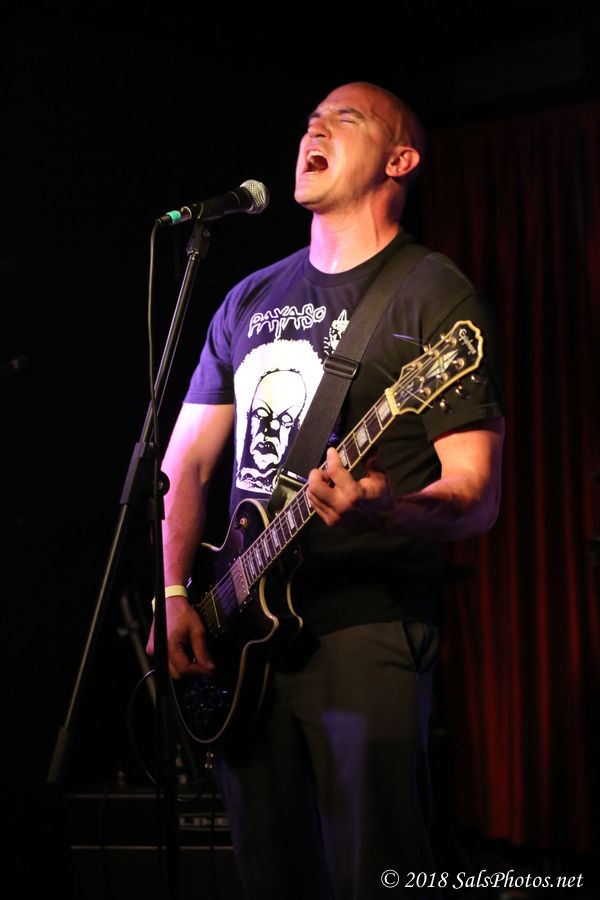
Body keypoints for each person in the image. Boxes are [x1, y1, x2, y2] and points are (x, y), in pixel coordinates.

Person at [146, 81, 505, 899]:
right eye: (311, 119)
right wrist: (173, 593)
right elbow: (183, 467)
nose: (315, 128)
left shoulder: (434, 295)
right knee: (268, 875)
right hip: (240, 634)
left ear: (399, 160)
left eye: (345, 119)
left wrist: (388, 505)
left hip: (364, 626)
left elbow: (477, 494)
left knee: (375, 871)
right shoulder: (249, 297)